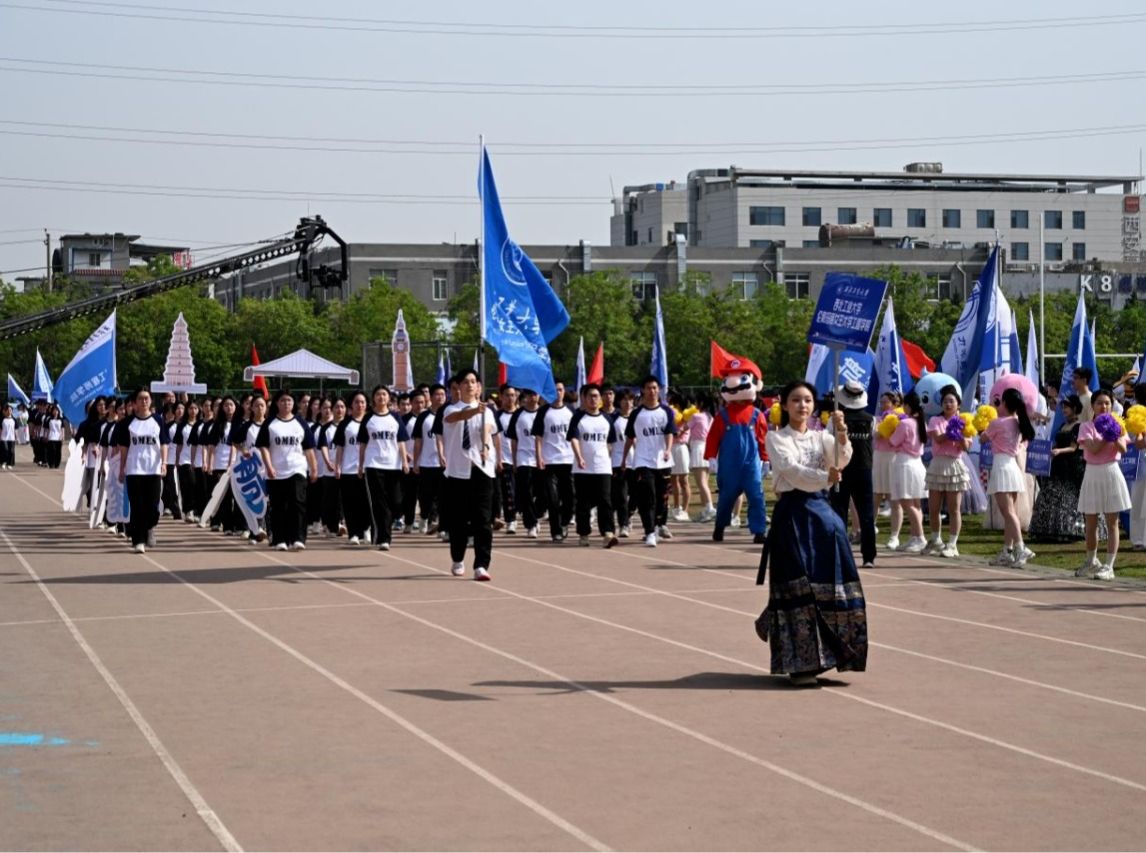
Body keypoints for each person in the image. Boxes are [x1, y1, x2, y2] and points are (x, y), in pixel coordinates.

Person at [754, 381, 867, 687]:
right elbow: (792, 472)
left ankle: (834, 655)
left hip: (824, 517)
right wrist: (824, 476)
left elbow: (841, 460)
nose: (802, 405)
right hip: (792, 516)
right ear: (784, 404)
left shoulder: (821, 437)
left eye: (807, 400)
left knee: (831, 584)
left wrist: (841, 435)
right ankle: (800, 664)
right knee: (798, 586)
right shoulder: (776, 438)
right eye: (796, 400)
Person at [440, 368, 500, 581]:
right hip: (458, 471)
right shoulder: (450, 409)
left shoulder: (487, 411)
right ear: (458, 387)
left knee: (483, 520)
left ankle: (481, 565)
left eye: (473, 381)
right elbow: (457, 417)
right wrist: (474, 411)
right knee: (458, 520)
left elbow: (487, 430)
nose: (469, 385)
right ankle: (458, 558)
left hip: (481, 470)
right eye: (465, 382)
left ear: (478, 386)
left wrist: (485, 446)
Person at [1076, 388, 1133, 580]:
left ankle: (1109, 565)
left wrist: (1114, 432)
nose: (1104, 406)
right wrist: (1106, 433)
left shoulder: (1118, 425)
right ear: (1092, 405)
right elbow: (1092, 449)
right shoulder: (1086, 427)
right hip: (1092, 473)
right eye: (1099, 403)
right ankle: (1091, 560)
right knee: (1090, 521)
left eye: (1107, 403)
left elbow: (1123, 448)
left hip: (1111, 472)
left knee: (1112, 522)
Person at [256, 390, 318, 552]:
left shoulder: (300, 423)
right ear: (277, 403)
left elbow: (309, 448)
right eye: (283, 400)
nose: (286, 403)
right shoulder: (270, 423)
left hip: (297, 469)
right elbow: (264, 447)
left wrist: (314, 468)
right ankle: (280, 539)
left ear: (294, 403)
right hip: (276, 471)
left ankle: (298, 538)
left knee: (298, 503)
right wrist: (269, 466)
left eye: (289, 400)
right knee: (279, 506)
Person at [984, 387, 1037, 567]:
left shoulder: (998, 423)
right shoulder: (1018, 421)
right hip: (1013, 467)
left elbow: (983, 438)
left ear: (1005, 402)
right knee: (1010, 513)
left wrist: (982, 425)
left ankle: (1021, 547)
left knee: (1008, 512)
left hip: (1002, 466)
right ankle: (1007, 551)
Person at [1029, 395, 1091, 543]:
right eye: (1063, 407)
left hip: (1071, 466)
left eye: (1066, 407)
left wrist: (1058, 451)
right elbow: (1058, 444)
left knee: (1067, 498)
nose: (1064, 410)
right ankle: (1050, 529)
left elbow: (1073, 447)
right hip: (1058, 465)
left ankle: (1072, 530)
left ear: (1074, 408)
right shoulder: (1063, 425)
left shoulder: (1079, 426)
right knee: (1052, 495)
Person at [623, 376, 676, 547]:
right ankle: (649, 532)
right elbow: (630, 438)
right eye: (648, 388)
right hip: (642, 461)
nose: (652, 391)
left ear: (658, 390)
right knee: (647, 497)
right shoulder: (636, 414)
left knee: (661, 498)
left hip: (663, 461)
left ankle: (658, 525)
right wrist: (624, 459)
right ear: (643, 391)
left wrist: (668, 449)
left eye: (654, 388)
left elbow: (669, 433)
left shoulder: (666, 411)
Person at [115, 389, 169, 554]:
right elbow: (124, 448)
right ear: (134, 403)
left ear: (151, 401)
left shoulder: (158, 420)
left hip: (153, 469)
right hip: (134, 469)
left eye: (146, 398)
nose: (144, 401)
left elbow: (163, 443)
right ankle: (138, 540)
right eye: (140, 399)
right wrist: (122, 468)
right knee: (137, 506)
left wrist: (164, 463)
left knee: (153, 506)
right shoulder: (127, 423)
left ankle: (149, 527)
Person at [830, 380, 877, 568]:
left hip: (842, 469)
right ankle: (869, 556)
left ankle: (840, 553)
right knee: (866, 514)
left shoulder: (835, 421)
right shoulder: (871, 420)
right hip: (864, 468)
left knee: (839, 512)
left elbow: (828, 441)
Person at [357, 386, 409, 552]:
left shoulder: (395, 417)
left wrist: (404, 461)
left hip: (393, 464)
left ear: (389, 398)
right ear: (374, 398)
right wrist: (360, 465)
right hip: (373, 464)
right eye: (378, 394)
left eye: (384, 394)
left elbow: (401, 441)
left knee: (396, 501)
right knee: (379, 503)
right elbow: (363, 444)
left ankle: (386, 528)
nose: (381, 397)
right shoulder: (368, 418)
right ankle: (383, 538)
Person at [568, 383, 619, 548]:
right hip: (583, 468)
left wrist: (606, 457)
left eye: (596, 396)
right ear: (584, 398)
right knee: (583, 502)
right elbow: (574, 439)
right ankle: (584, 533)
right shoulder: (578, 418)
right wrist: (579, 457)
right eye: (590, 396)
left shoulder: (607, 419)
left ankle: (608, 533)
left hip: (602, 467)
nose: (593, 399)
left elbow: (610, 442)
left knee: (605, 500)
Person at [924, 385, 972, 558]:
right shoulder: (935, 420)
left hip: (954, 465)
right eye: (945, 401)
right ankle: (936, 540)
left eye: (951, 401)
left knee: (954, 509)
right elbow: (937, 438)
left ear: (958, 404)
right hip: (937, 464)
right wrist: (950, 431)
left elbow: (966, 447)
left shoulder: (965, 421)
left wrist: (960, 435)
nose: (948, 404)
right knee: (933, 508)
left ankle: (952, 544)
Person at [531, 380, 575, 543]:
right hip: (550, 461)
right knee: (552, 498)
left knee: (570, 497)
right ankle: (556, 531)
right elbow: (538, 437)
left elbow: (576, 436)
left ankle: (564, 521)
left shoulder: (571, 411)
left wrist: (579, 456)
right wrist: (539, 457)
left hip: (568, 460)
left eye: (561, 390)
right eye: (555, 390)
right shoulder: (543, 412)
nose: (558, 393)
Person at [888, 391, 928, 554]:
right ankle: (915, 536)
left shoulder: (905, 423)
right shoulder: (921, 422)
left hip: (905, 464)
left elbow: (892, 442)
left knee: (907, 503)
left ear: (908, 406)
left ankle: (920, 537)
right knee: (915, 504)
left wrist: (889, 430)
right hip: (917, 464)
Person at [333, 391, 371, 546]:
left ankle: (366, 529)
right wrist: (337, 466)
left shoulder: (371, 422)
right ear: (351, 405)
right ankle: (354, 533)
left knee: (366, 502)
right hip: (349, 469)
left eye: (362, 402)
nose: (360, 405)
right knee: (350, 503)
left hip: (368, 468)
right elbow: (340, 447)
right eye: (356, 402)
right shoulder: (345, 424)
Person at [412, 383, 446, 536]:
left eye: (443, 394)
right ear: (430, 397)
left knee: (443, 496)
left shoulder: (449, 415)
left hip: (445, 463)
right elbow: (418, 441)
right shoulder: (423, 417)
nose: (440, 397)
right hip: (427, 463)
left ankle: (441, 525)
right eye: (437, 394)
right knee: (426, 496)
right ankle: (424, 517)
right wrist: (416, 461)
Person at [508, 387, 542, 538]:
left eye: (535, 394)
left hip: (542, 459)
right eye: (530, 394)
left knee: (542, 493)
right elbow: (514, 440)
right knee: (526, 492)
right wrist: (515, 461)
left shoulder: (544, 413)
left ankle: (537, 514)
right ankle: (531, 524)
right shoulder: (518, 415)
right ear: (525, 397)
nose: (533, 397)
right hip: (524, 458)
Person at [872, 391, 903, 548]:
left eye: (886, 402)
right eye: (881, 402)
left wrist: (893, 424)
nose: (882, 405)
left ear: (894, 403)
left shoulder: (900, 419)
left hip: (893, 457)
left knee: (894, 498)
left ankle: (894, 536)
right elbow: (876, 435)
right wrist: (886, 426)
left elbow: (897, 438)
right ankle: (870, 528)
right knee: (876, 495)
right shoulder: (877, 419)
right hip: (879, 457)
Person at [315, 397, 343, 538]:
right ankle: (330, 526)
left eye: (342, 407)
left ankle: (340, 523)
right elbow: (323, 446)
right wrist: (328, 462)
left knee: (343, 499)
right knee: (330, 499)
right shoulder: (326, 429)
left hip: (346, 468)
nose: (339, 410)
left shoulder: (348, 426)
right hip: (329, 469)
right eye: (336, 407)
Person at [609, 389, 636, 537]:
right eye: (624, 400)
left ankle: (628, 514)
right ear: (619, 402)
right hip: (618, 462)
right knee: (621, 495)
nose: (627, 403)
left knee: (637, 495)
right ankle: (623, 524)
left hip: (637, 461)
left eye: (630, 400)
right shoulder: (613, 420)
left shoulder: (638, 418)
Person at [494, 384, 519, 533]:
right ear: (501, 397)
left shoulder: (521, 415)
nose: (510, 398)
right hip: (501, 459)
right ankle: (502, 519)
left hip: (519, 459)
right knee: (500, 492)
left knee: (513, 492)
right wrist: (497, 458)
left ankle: (514, 519)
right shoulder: (497, 416)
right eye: (507, 395)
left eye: (513, 395)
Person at [688, 393, 716, 522]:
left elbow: (685, 428)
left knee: (701, 483)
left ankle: (710, 509)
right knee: (704, 483)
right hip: (707, 449)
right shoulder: (710, 417)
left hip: (698, 448)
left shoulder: (696, 416)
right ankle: (706, 509)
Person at [174, 401, 201, 523]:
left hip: (199, 459)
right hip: (185, 459)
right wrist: (177, 459)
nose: (193, 411)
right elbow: (179, 444)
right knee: (187, 485)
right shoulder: (182, 425)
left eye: (195, 408)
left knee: (196, 485)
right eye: (190, 408)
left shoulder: (201, 424)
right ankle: (188, 510)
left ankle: (197, 510)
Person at [667, 391, 692, 522]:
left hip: (681, 447)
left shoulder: (687, 417)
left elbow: (680, 432)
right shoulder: (673, 415)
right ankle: (677, 507)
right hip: (672, 448)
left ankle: (685, 510)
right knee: (673, 480)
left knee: (684, 481)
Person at [45, 404, 64, 469]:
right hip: (51, 437)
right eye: (54, 411)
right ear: (52, 411)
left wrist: (62, 436)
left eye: (56, 411)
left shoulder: (60, 420)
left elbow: (62, 429)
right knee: (52, 450)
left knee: (58, 451)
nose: (55, 412)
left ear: (58, 412)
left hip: (58, 437)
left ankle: (57, 464)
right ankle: (51, 463)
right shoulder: (49, 419)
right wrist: (46, 436)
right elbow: (47, 429)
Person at [0, 404, 15, 469]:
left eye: (10, 410)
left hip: (11, 438)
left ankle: (9, 464)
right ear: (5, 411)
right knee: (5, 450)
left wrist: (16, 437)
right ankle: (4, 462)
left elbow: (15, 429)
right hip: (4, 438)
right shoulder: (2, 419)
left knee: (11, 451)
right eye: (8, 410)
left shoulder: (13, 420)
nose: (9, 411)